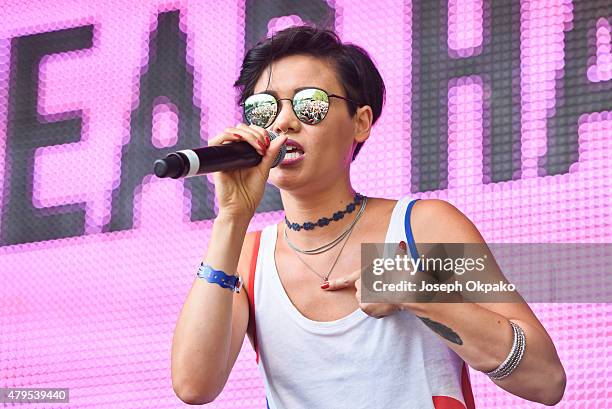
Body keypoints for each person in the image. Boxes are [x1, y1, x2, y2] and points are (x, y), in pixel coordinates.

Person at [171, 25, 566, 408]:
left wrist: (421, 295)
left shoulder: (424, 226)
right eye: (264, 108)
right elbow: (193, 385)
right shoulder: (246, 257)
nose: (283, 122)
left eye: (310, 104)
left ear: (361, 122)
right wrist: (231, 217)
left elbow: (545, 380)